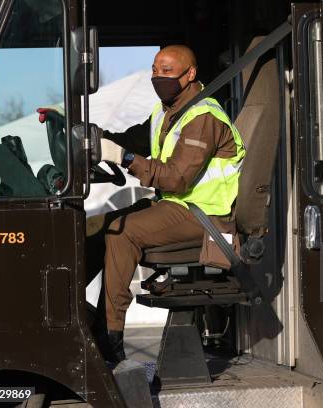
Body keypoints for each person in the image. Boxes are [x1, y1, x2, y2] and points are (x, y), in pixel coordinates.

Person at [85, 45, 245, 364]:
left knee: (121, 232)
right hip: (176, 207)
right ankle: (77, 318)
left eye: (168, 71)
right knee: (94, 225)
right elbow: (132, 140)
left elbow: (175, 180)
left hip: (206, 216)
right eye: (155, 70)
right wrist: (95, 139)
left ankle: (110, 336)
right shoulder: (166, 110)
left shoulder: (204, 117)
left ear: (190, 74)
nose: (159, 77)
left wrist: (125, 159)